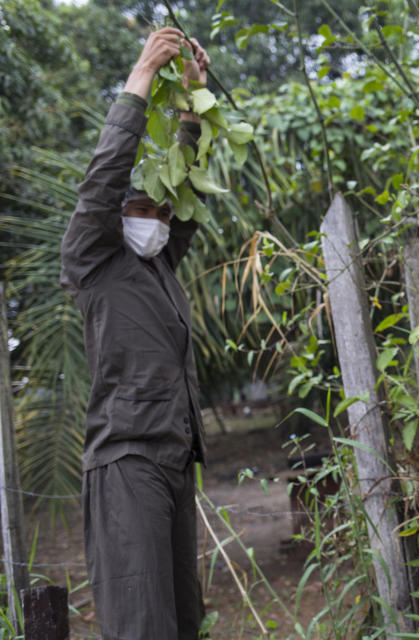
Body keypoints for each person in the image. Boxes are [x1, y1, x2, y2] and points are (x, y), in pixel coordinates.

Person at [60, 27, 211, 639]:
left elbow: (185, 187)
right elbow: (102, 182)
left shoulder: (160, 268)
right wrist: (142, 78)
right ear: (118, 218)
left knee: (183, 620)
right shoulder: (94, 260)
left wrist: (192, 108)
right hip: (127, 460)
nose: (157, 221)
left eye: (162, 213)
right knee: (143, 626)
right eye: (142, 210)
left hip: (170, 457)